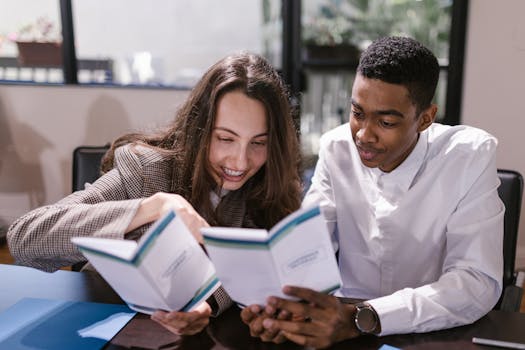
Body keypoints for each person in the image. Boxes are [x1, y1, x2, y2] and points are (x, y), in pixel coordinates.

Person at [7, 52, 302, 335]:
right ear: (199, 129)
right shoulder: (146, 171)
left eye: (258, 143)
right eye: (225, 138)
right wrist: (151, 208)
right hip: (104, 323)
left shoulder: (266, 189)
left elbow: (247, 272)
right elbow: (24, 240)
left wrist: (207, 306)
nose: (240, 162)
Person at [241, 36, 504, 348]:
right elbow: (309, 248)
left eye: (386, 121)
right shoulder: (336, 147)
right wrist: (280, 309)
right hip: (341, 328)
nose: (364, 135)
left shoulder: (469, 156)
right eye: (357, 112)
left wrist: (366, 316)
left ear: (425, 119)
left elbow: (477, 283)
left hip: (431, 332)